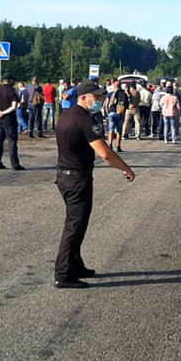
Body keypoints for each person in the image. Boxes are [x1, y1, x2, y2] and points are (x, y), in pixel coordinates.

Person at [53, 80, 136, 288]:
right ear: (83, 98)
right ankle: (63, 274)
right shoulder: (84, 120)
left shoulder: (66, 115)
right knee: (75, 226)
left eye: (101, 97)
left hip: (64, 175)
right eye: (96, 97)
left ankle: (76, 264)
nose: (100, 100)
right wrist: (126, 168)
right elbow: (105, 153)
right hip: (77, 178)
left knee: (77, 224)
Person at [0, 74, 25, 171]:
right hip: (10, 120)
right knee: (12, 142)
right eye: (13, 80)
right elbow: (14, 106)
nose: (14, 82)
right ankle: (15, 164)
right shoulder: (12, 91)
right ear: (10, 81)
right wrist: (4, 112)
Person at [107, 83, 129, 152]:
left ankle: (110, 145)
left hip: (112, 112)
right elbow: (127, 105)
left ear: (114, 87)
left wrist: (108, 112)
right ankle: (118, 147)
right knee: (119, 131)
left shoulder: (110, 94)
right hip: (120, 113)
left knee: (111, 130)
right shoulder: (124, 94)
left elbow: (106, 104)